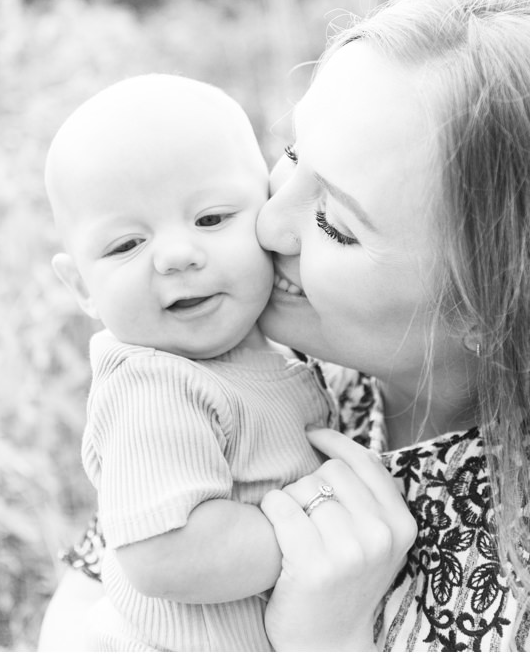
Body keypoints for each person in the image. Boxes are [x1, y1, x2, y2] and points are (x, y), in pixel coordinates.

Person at [39, 0, 530, 650]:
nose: (268, 224)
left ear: (489, 304)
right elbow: (93, 587)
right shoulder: (235, 348)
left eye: (335, 223)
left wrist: (328, 644)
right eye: (290, 157)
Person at [44, 74, 334, 650]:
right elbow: (164, 551)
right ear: (82, 287)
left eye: (210, 219)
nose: (176, 256)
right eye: (126, 245)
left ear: (268, 215)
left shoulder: (269, 348)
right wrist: (315, 532)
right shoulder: (153, 383)